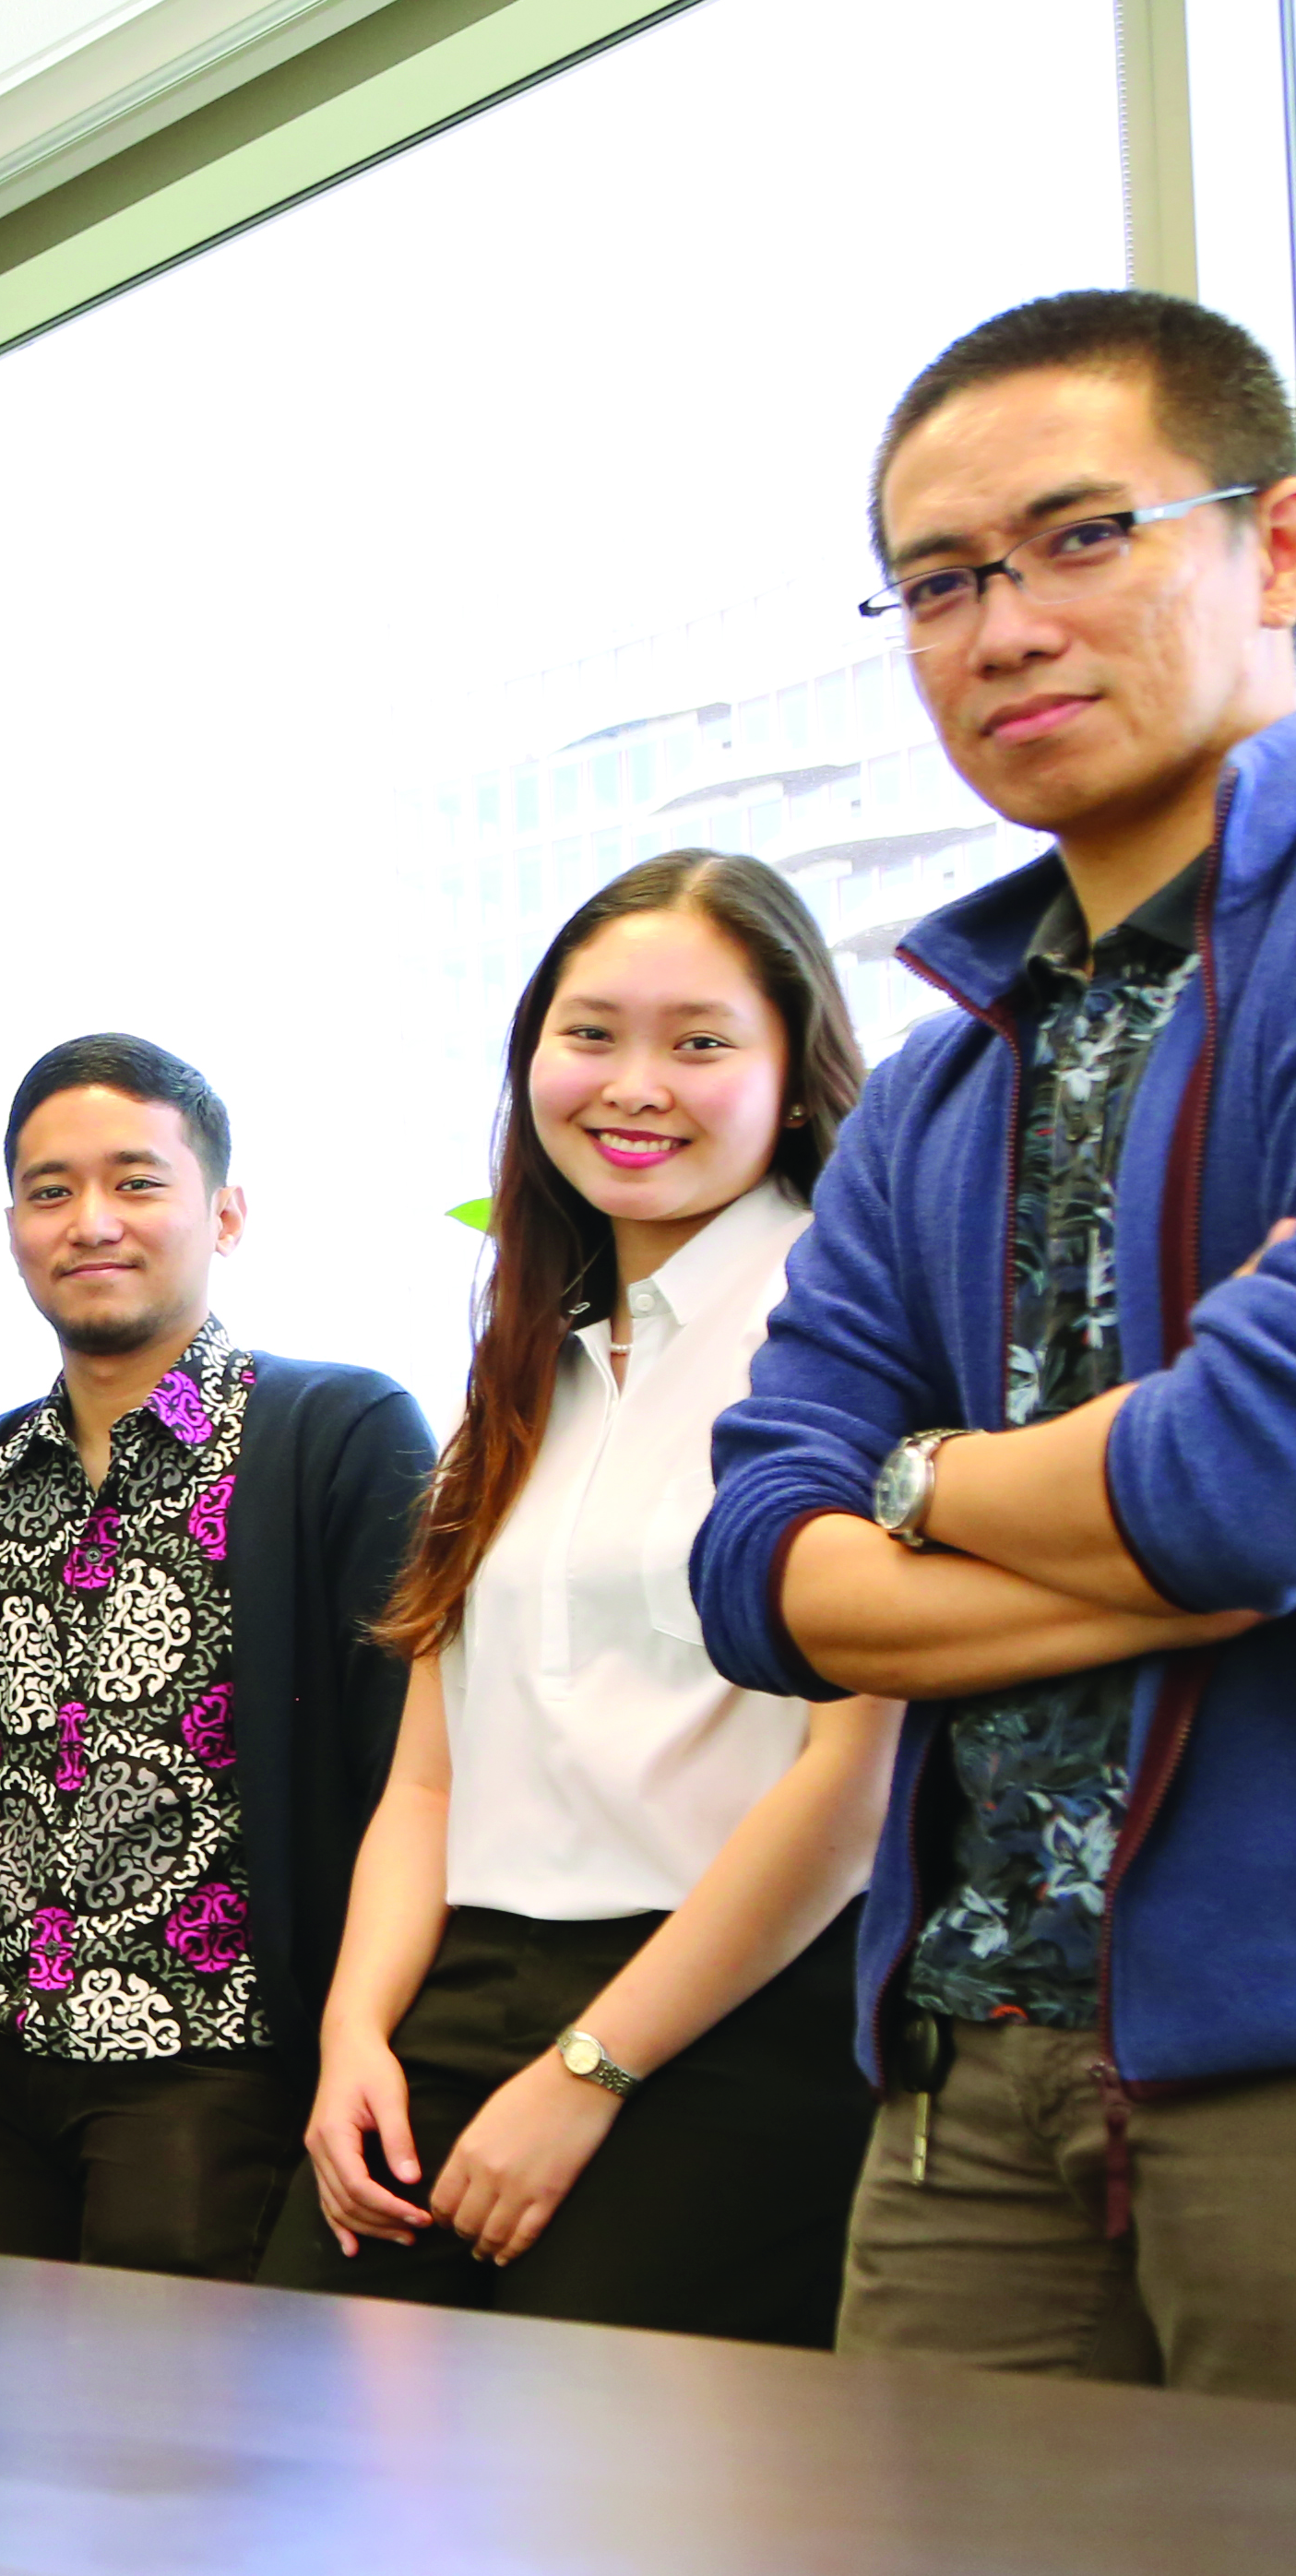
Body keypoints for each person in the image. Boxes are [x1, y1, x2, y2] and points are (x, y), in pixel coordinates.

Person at [694, 288, 1296, 2429]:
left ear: (1285, 548)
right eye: (942, 582)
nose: (1006, 625)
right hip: (970, 2047)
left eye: (1083, 538)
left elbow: (1273, 1467)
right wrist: (996, 1503)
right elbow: (757, 1559)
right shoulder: (954, 1068)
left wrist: (930, 1483)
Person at [268, 856, 897, 2338]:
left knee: (610, 2527)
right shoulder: (528, 1359)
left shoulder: (843, 1329)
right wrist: (356, 2034)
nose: (634, 1085)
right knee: (303, 2462)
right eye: (590, 1033)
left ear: (796, 1080)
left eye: (699, 1042)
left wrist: (590, 2070)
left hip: (728, 2015)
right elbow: (428, 1778)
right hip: (458, 1991)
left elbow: (853, 1779)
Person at [0, 1036, 430, 2275]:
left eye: (137, 1182)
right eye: (49, 1189)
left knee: (166, 2455)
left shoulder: (335, 1437)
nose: (92, 1222)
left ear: (224, 1213)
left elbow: (398, 1764)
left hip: (217, 2065)